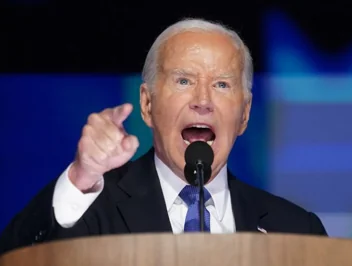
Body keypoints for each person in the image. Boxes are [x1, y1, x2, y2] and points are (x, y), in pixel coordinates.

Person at [0, 18, 327, 255]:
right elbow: (14, 259)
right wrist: (80, 177)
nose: (202, 100)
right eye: (184, 81)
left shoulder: (296, 230)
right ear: (147, 103)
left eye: (222, 85)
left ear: (244, 114)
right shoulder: (92, 209)